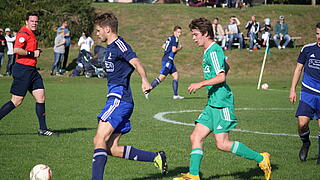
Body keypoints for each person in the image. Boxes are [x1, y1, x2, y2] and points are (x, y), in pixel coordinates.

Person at [173, 17, 271, 180]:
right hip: (213, 103)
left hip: (222, 104)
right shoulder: (208, 51)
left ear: (205, 34)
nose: (193, 38)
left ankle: (262, 158)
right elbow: (226, 66)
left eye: (196, 34)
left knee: (222, 144)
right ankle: (194, 175)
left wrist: (201, 84)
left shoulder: (214, 50)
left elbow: (221, 77)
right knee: (195, 137)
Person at [91, 12, 168, 180]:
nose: (97, 34)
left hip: (119, 98)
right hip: (117, 97)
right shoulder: (110, 48)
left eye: (98, 30)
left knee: (99, 139)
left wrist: (144, 80)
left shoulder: (120, 45)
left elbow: (136, 62)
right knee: (111, 148)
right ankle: (156, 157)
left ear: (107, 29)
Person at [0, 11, 59, 137]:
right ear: (26, 22)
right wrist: (32, 53)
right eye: (32, 21)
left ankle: (43, 129)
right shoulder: (23, 33)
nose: (34, 23)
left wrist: (35, 52)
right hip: (23, 70)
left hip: (32, 70)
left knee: (41, 96)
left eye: (36, 21)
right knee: (16, 101)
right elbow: (16, 50)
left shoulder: (31, 33)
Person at [289, 23, 320, 165]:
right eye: (318, 33)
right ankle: (306, 143)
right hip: (308, 92)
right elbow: (298, 69)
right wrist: (292, 89)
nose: (319, 37)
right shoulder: (307, 49)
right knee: (302, 123)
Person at [146, 26, 184, 100]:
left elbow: (163, 46)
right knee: (161, 77)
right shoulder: (175, 39)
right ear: (174, 32)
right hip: (168, 60)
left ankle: (175, 95)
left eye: (180, 32)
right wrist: (180, 48)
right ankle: (147, 90)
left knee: (176, 76)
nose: (180, 34)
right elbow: (173, 50)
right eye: (178, 32)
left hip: (168, 60)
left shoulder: (170, 38)